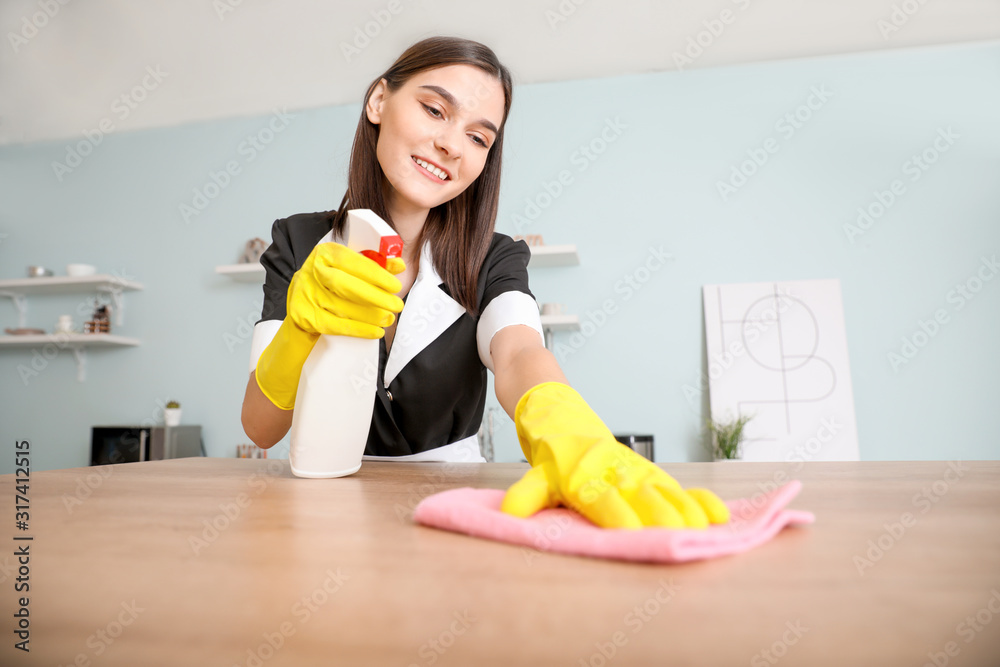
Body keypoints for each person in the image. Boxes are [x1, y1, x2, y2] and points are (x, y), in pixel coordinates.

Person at [241, 36, 729, 531]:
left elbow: (517, 352)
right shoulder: (300, 242)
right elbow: (261, 429)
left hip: (449, 507)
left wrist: (570, 431)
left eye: (479, 138)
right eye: (435, 110)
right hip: (325, 511)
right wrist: (297, 331)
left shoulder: (495, 257)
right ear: (379, 101)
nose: (452, 145)